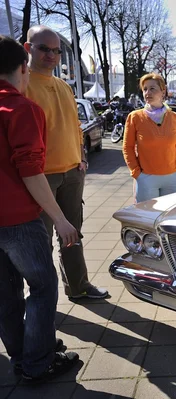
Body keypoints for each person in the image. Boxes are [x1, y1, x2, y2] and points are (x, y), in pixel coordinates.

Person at [0, 35, 80, 384]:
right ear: (22, 67)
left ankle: (24, 353)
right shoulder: (22, 109)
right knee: (43, 287)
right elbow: (31, 169)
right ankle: (38, 363)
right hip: (18, 220)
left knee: (6, 293)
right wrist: (60, 219)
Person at [24, 25, 108, 300]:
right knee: (41, 242)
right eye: (43, 49)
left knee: (73, 235)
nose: (51, 55)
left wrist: (81, 159)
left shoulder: (63, 86)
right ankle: (44, 300)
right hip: (41, 178)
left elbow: (74, 126)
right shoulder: (22, 85)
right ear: (28, 48)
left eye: (56, 50)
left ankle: (79, 286)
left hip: (72, 173)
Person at [123, 73, 176, 203]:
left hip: (173, 178)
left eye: (152, 88)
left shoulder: (174, 117)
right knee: (147, 219)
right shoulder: (135, 117)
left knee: (169, 217)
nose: (148, 93)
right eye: (145, 89)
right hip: (147, 178)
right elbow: (127, 148)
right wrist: (137, 173)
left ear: (163, 91)